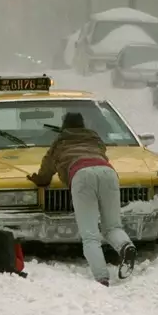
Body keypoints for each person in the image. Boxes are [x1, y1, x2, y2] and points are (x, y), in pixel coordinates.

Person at [27, 112, 136, 285]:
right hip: (108, 172)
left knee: (90, 234)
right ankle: (125, 246)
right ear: (83, 125)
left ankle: (101, 278)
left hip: (81, 175)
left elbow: (46, 172)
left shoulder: (60, 142)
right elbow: (99, 154)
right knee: (112, 226)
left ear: (64, 126)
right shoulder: (94, 138)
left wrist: (38, 179)